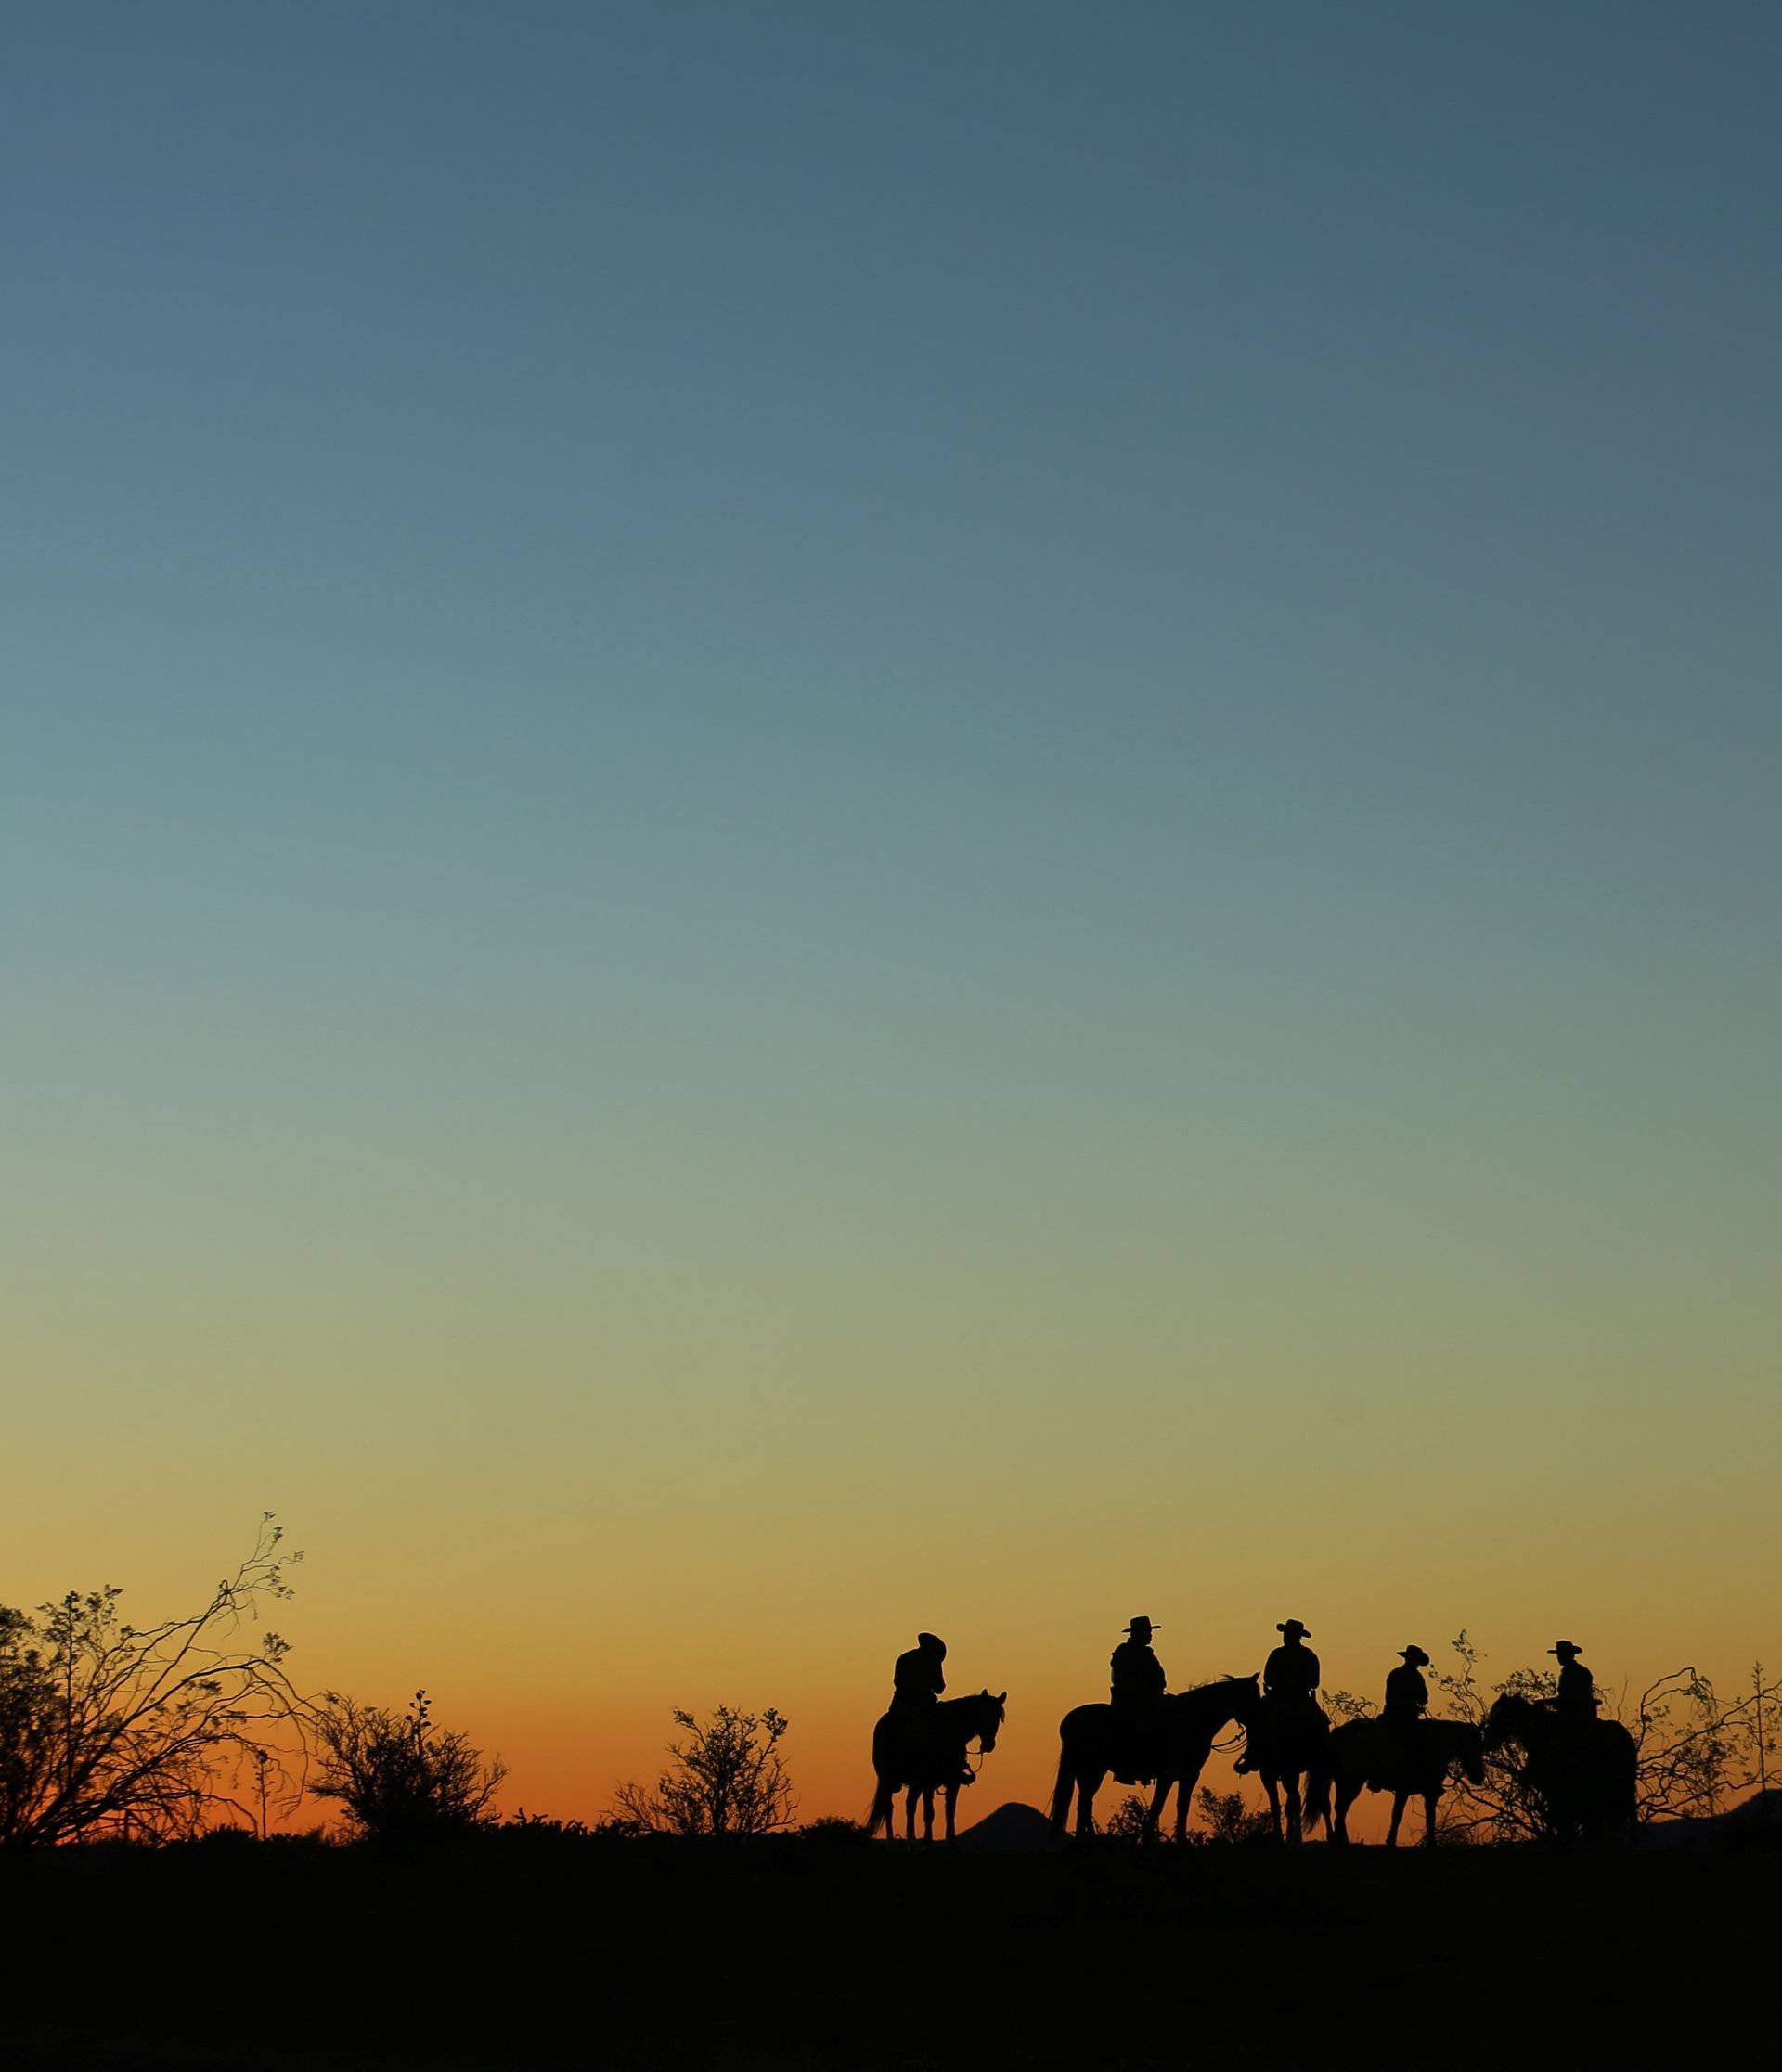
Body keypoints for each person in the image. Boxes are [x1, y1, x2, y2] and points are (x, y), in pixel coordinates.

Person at [1109, 1616, 1168, 1784]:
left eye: (1150, 1632)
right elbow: (1123, 1679)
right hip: (1132, 1701)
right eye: (1147, 1632)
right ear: (1138, 1634)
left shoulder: (1144, 1652)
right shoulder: (1126, 1652)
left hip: (1149, 1697)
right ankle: (1131, 1768)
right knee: (1143, 1728)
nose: (1150, 1635)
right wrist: (1147, 1690)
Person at [1373, 1644, 1430, 1789]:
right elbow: (1391, 1698)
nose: (1415, 1663)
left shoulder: (1408, 1675)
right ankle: (1378, 1776)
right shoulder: (1399, 1674)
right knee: (1387, 1741)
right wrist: (1411, 1702)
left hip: (1409, 1716)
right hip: (1395, 1715)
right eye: (1414, 1660)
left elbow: (1424, 1698)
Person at [1547, 1641, 1598, 1727]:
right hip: (1577, 1711)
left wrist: (1547, 1702)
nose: (1559, 1657)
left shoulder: (1577, 1671)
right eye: (1559, 1655)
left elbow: (1571, 1697)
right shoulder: (1572, 1671)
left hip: (1578, 1713)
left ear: (1571, 1655)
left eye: (1563, 1654)